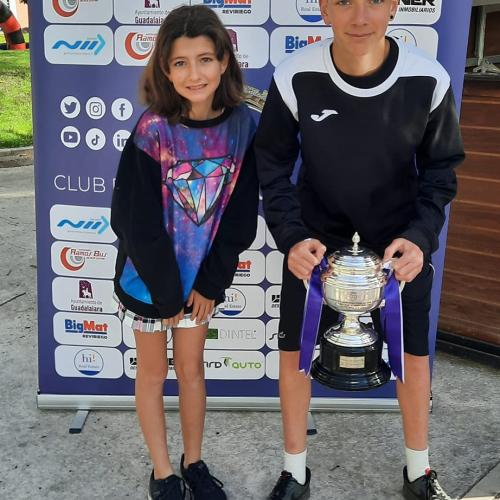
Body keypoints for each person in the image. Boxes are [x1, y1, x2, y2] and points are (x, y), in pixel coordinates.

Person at [255, 1, 465, 499]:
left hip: (397, 244)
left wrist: (420, 238)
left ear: (393, 5)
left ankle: (419, 471)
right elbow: (272, 164)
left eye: (374, 0)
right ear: (324, 8)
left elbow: (440, 172)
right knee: (295, 355)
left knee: (413, 356)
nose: (360, 16)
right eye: (344, 1)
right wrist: (291, 236)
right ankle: (294, 471)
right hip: (315, 245)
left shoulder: (427, 79)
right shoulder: (295, 75)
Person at [111, 5, 258, 500]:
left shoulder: (244, 128)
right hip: (151, 283)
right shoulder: (152, 130)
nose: (194, 74)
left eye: (205, 59)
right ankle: (162, 472)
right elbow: (131, 219)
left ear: (224, 62)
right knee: (153, 373)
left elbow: (239, 216)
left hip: (199, 286)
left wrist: (210, 283)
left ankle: (193, 463)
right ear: (165, 69)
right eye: (180, 63)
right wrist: (166, 292)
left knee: (192, 371)